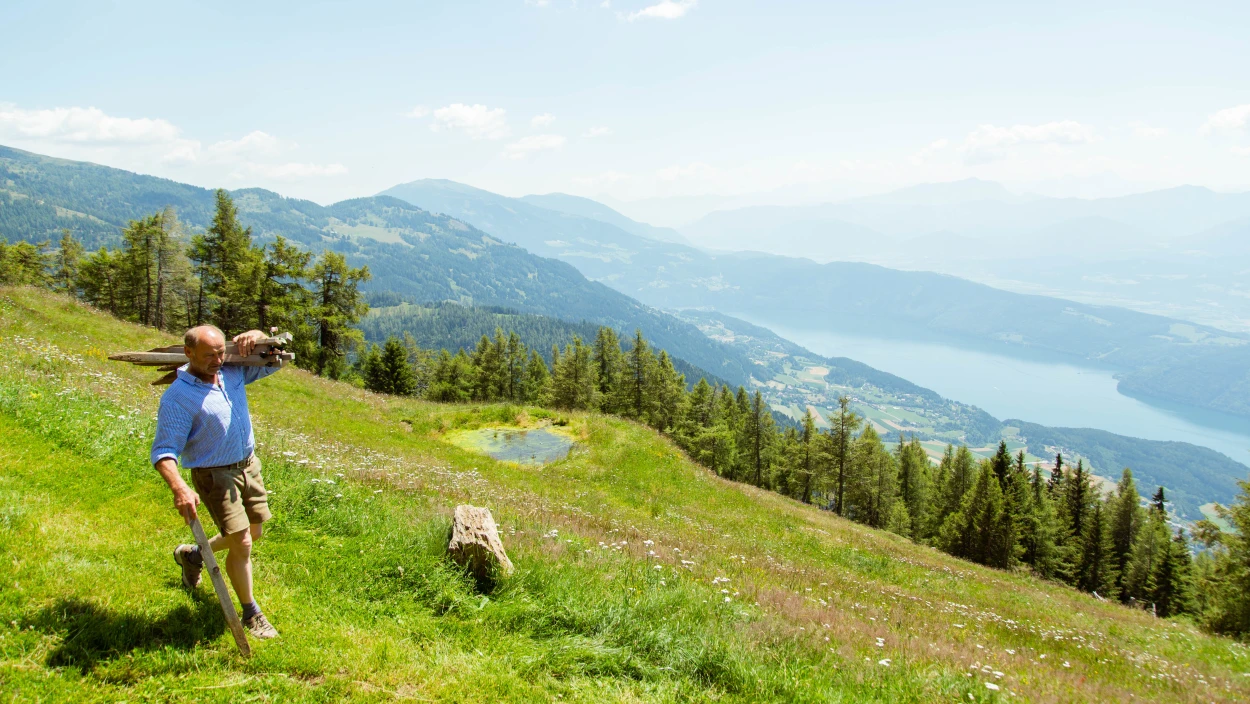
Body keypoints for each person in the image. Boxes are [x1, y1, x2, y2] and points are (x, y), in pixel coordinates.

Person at [151, 325, 282, 639]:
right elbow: (163, 451)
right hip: (215, 474)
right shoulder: (178, 398)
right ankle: (251, 613)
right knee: (243, 543)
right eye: (209, 355)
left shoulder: (232, 371)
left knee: (254, 532)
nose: (217, 360)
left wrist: (259, 335)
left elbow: (275, 360)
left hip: (248, 465)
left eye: (221, 352)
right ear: (188, 353)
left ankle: (193, 556)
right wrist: (180, 486)